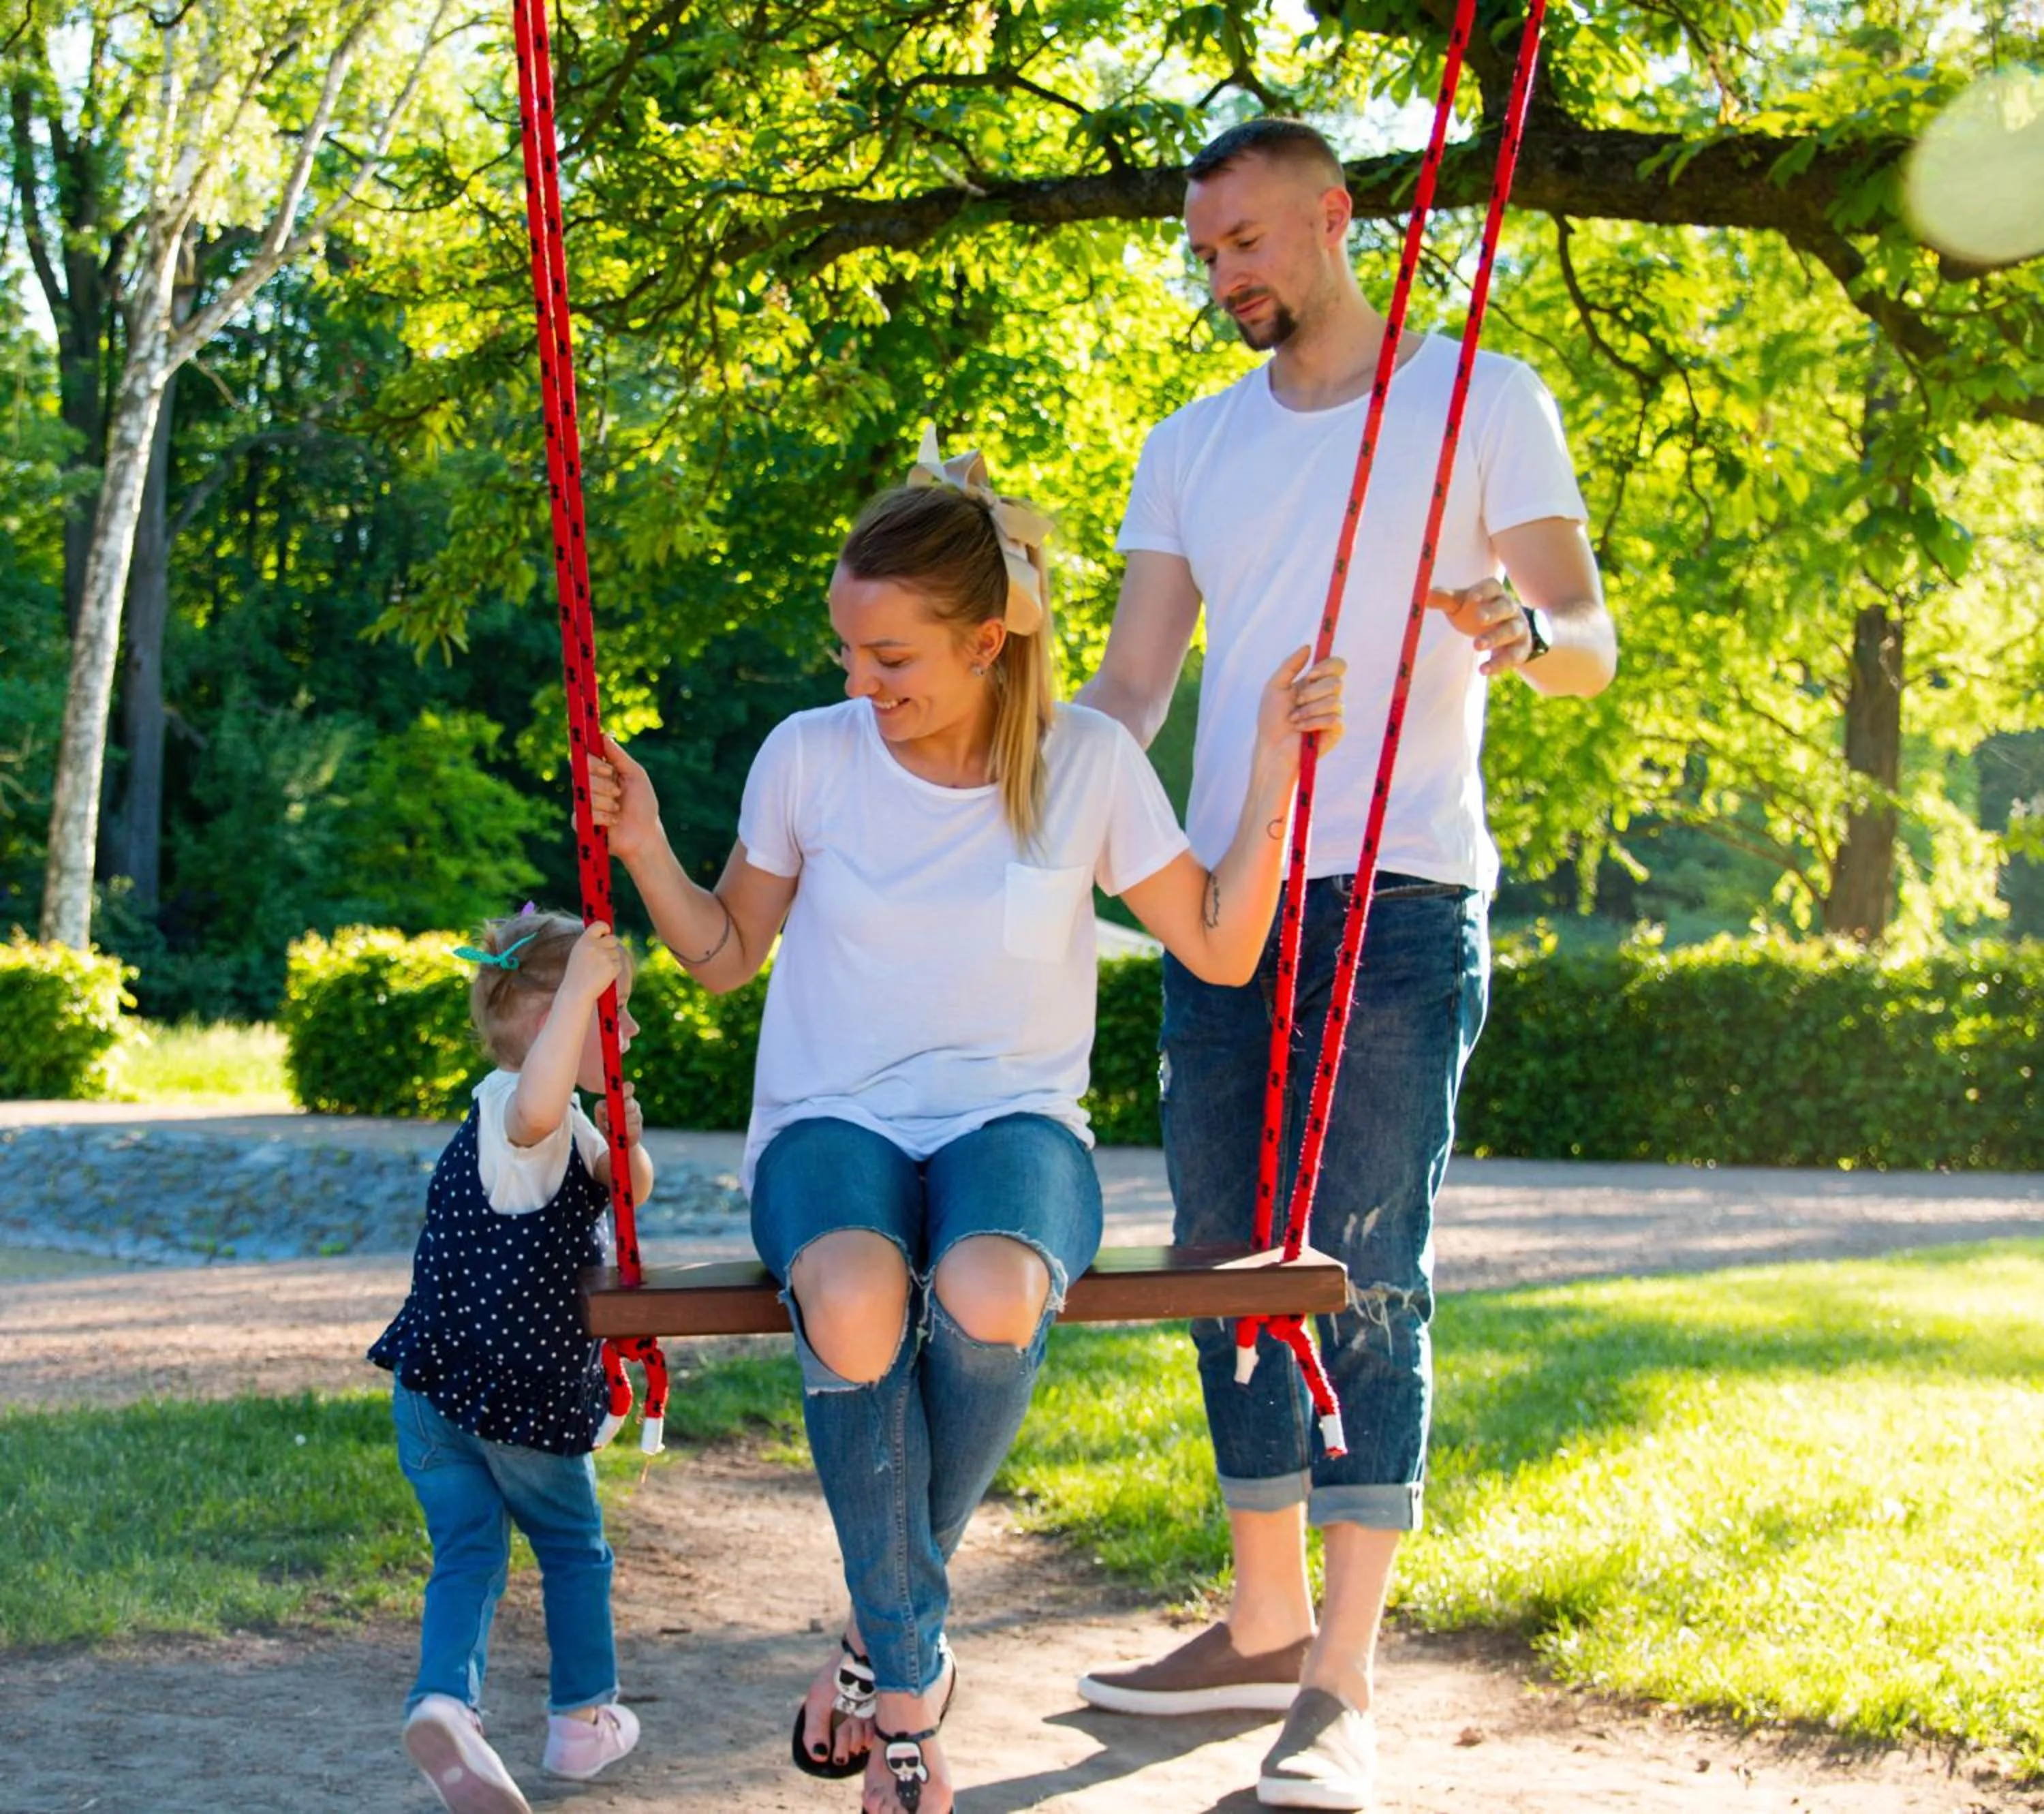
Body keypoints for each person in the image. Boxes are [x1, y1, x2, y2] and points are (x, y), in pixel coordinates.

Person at [587, 432, 1345, 1814]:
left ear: (988, 639)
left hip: (1013, 1120)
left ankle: (880, 1650)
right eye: (848, 652)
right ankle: (917, 1675)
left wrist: (1277, 771)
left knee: (992, 1285)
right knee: (862, 1300)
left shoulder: (1089, 764)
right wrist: (644, 845)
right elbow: (723, 954)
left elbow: (1226, 946)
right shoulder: (810, 759)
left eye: (891, 658)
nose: (859, 682)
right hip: (832, 1117)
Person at [1072, 118, 1618, 1811]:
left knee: (1364, 1256)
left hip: (1397, 886)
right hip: (1230, 890)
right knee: (1224, 1247)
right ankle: (1257, 1617)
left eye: (1243, 240)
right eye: (1204, 251)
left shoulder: (1483, 398)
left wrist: (1523, 633)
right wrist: (1002, 778)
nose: (1222, 274)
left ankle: (1342, 1683)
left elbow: (1589, 644)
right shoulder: (1188, 444)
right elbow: (1134, 693)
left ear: (1332, 220)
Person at [369, 908, 652, 1814]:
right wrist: (578, 991)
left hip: (432, 1388)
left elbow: (622, 1186)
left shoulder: (551, 1118)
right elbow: (538, 1109)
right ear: (552, 1021)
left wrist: (628, 1144)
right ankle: (581, 1721)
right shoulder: (520, 1111)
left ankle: (446, 1702)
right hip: (514, 1400)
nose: (630, 1031)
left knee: (469, 1551)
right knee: (573, 1547)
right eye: (616, 1012)